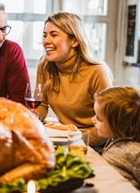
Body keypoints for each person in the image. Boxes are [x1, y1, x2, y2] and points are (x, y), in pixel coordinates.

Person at [35, 12, 112, 146]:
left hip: (95, 143)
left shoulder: (97, 72)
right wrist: (35, 116)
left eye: (54, 35)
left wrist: (74, 140)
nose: (46, 41)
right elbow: (42, 104)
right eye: (45, 35)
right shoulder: (45, 65)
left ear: (75, 41)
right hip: (67, 138)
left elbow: (109, 125)